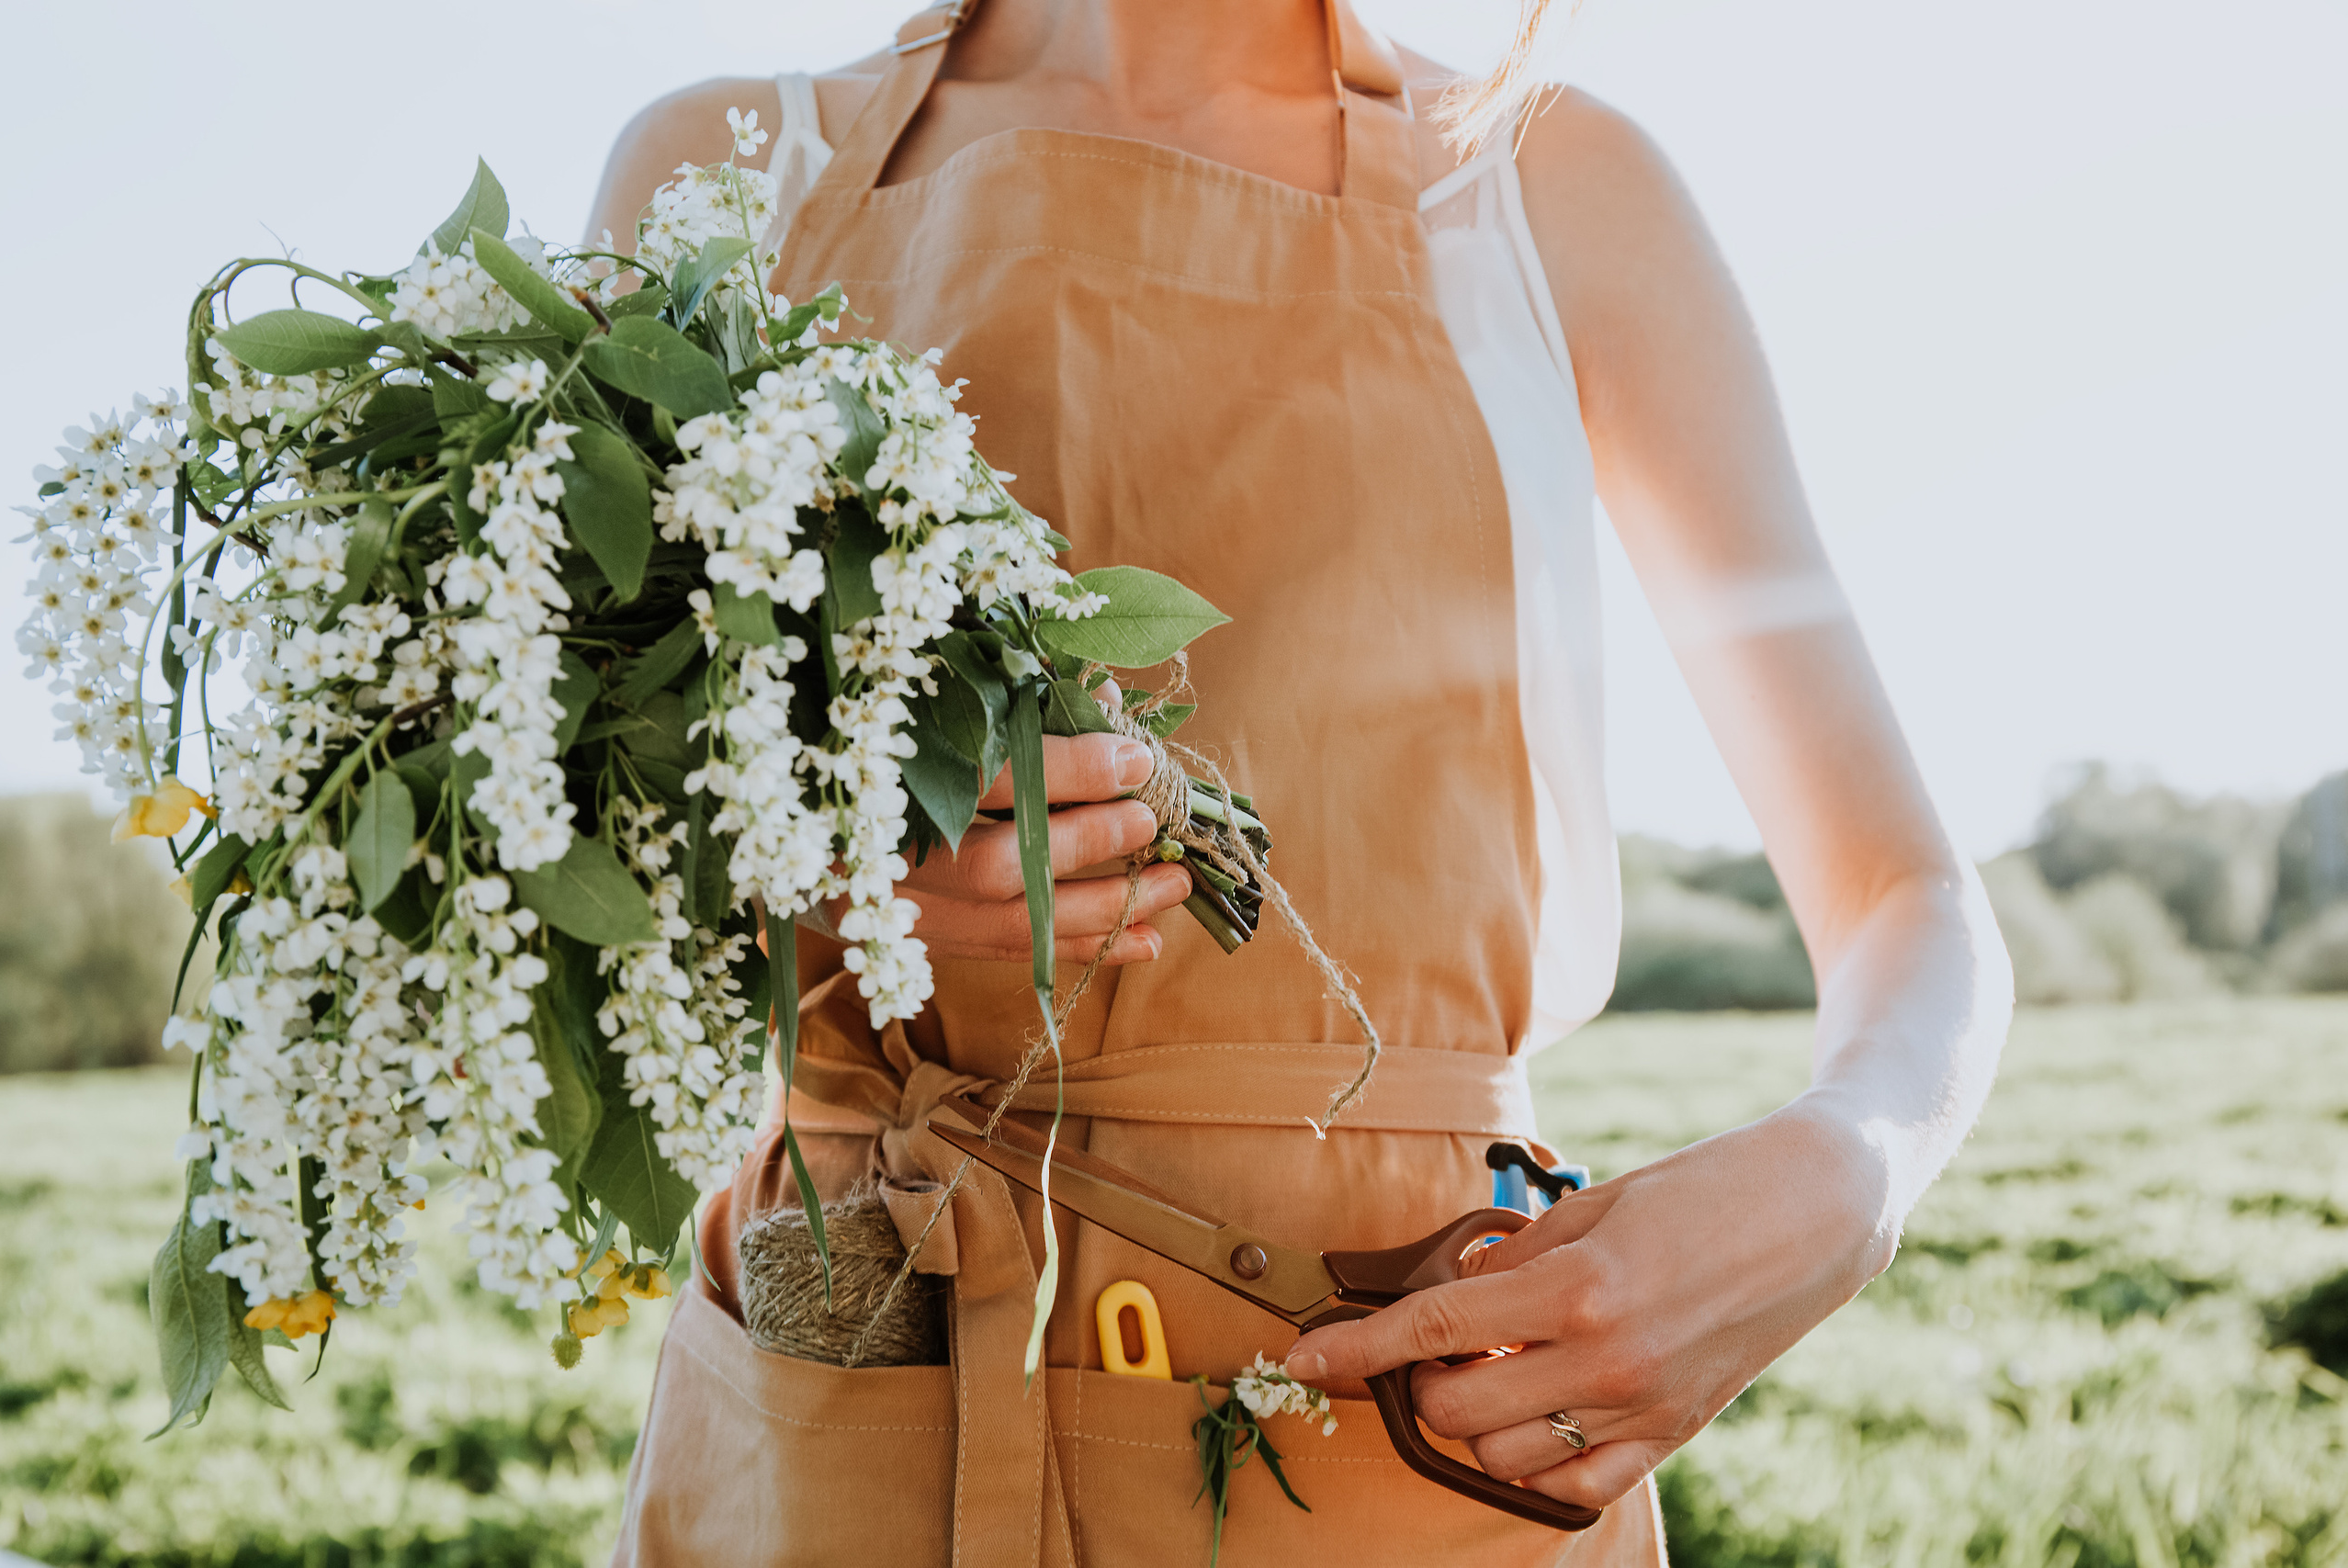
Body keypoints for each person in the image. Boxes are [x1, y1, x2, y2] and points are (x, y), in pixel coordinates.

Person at [588, 1, 2013, 1562]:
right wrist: (807, 861)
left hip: (1395, 1413)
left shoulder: (1543, 190)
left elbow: (1907, 894)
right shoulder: (729, 178)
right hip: (853, 1366)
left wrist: (1853, 1168)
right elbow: (554, 866)